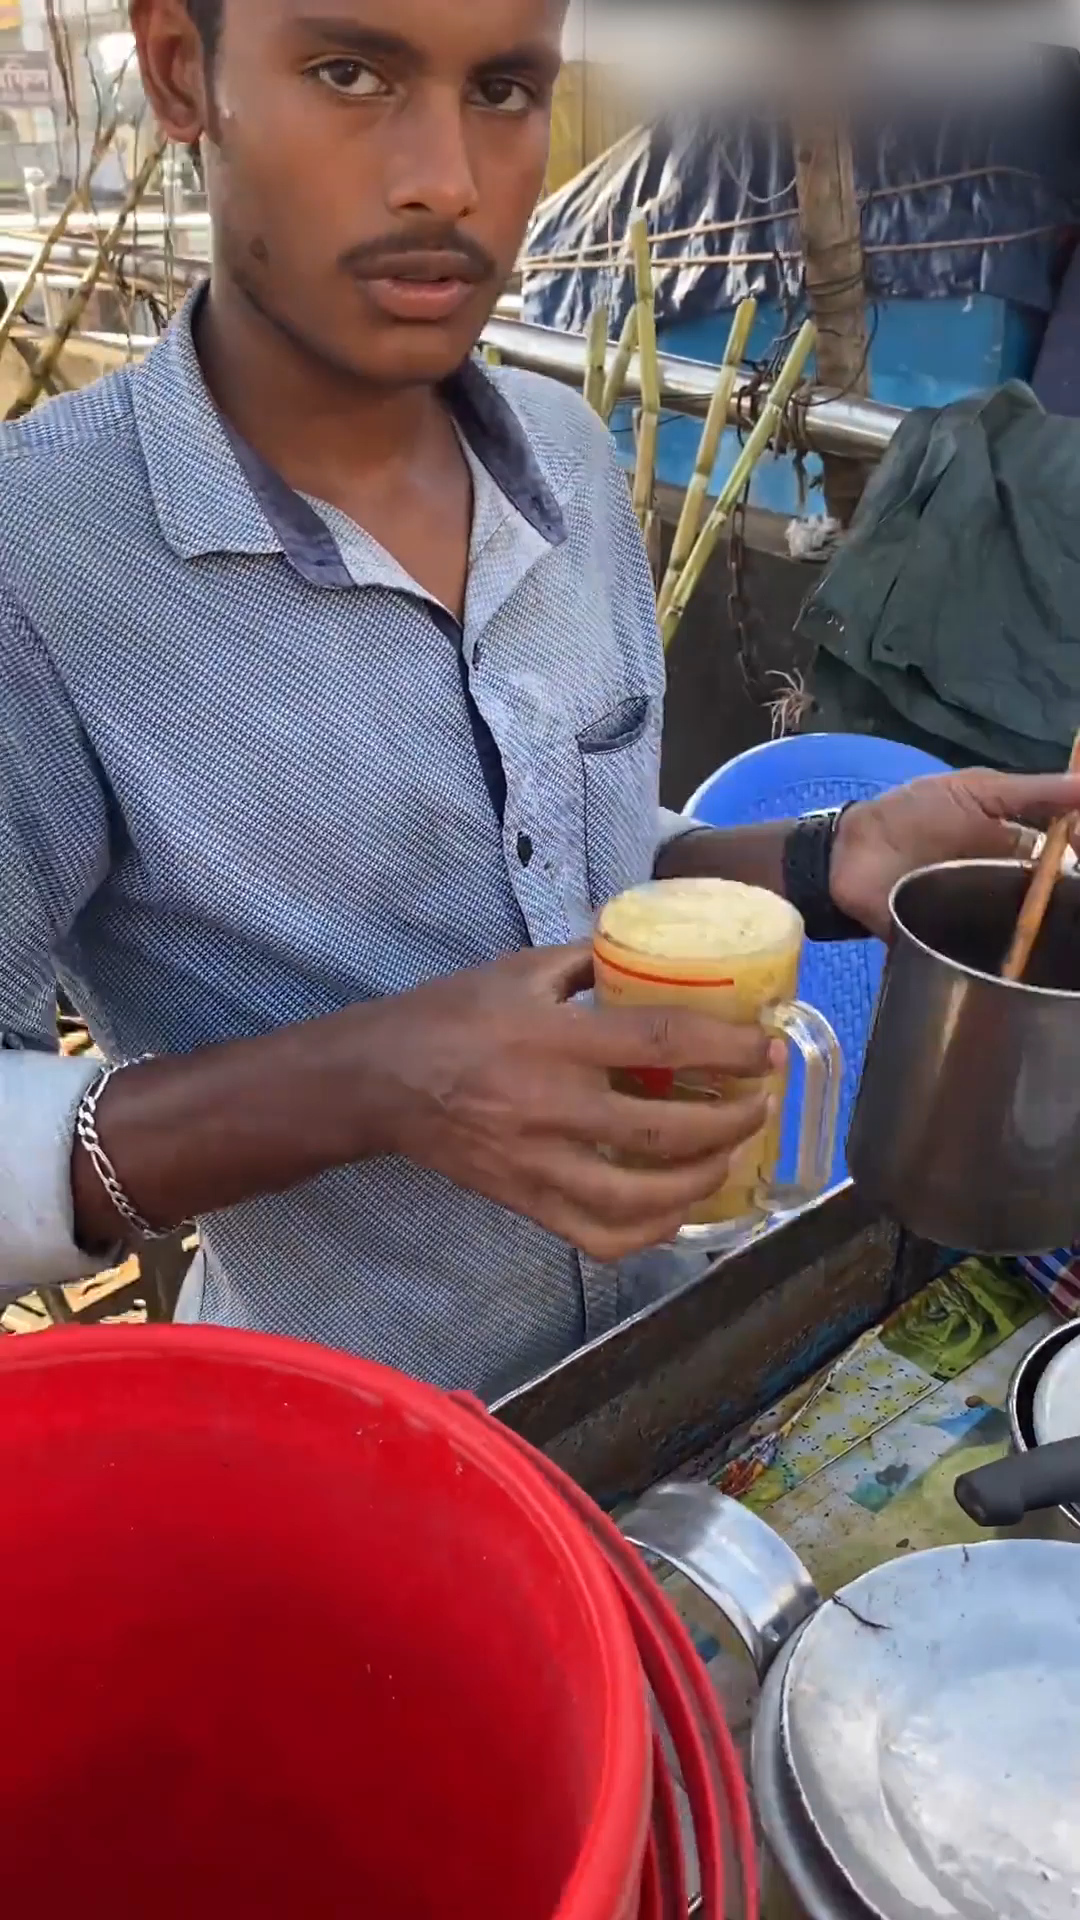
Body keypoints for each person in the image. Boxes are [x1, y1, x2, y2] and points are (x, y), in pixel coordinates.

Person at [1, 0, 1078, 1401]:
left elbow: (585, 862)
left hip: (670, 1361)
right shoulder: (42, 562)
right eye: (350, 71)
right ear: (178, 68)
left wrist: (828, 862)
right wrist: (370, 1082)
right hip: (355, 1424)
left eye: (506, 88)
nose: (446, 178)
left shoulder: (567, 461)